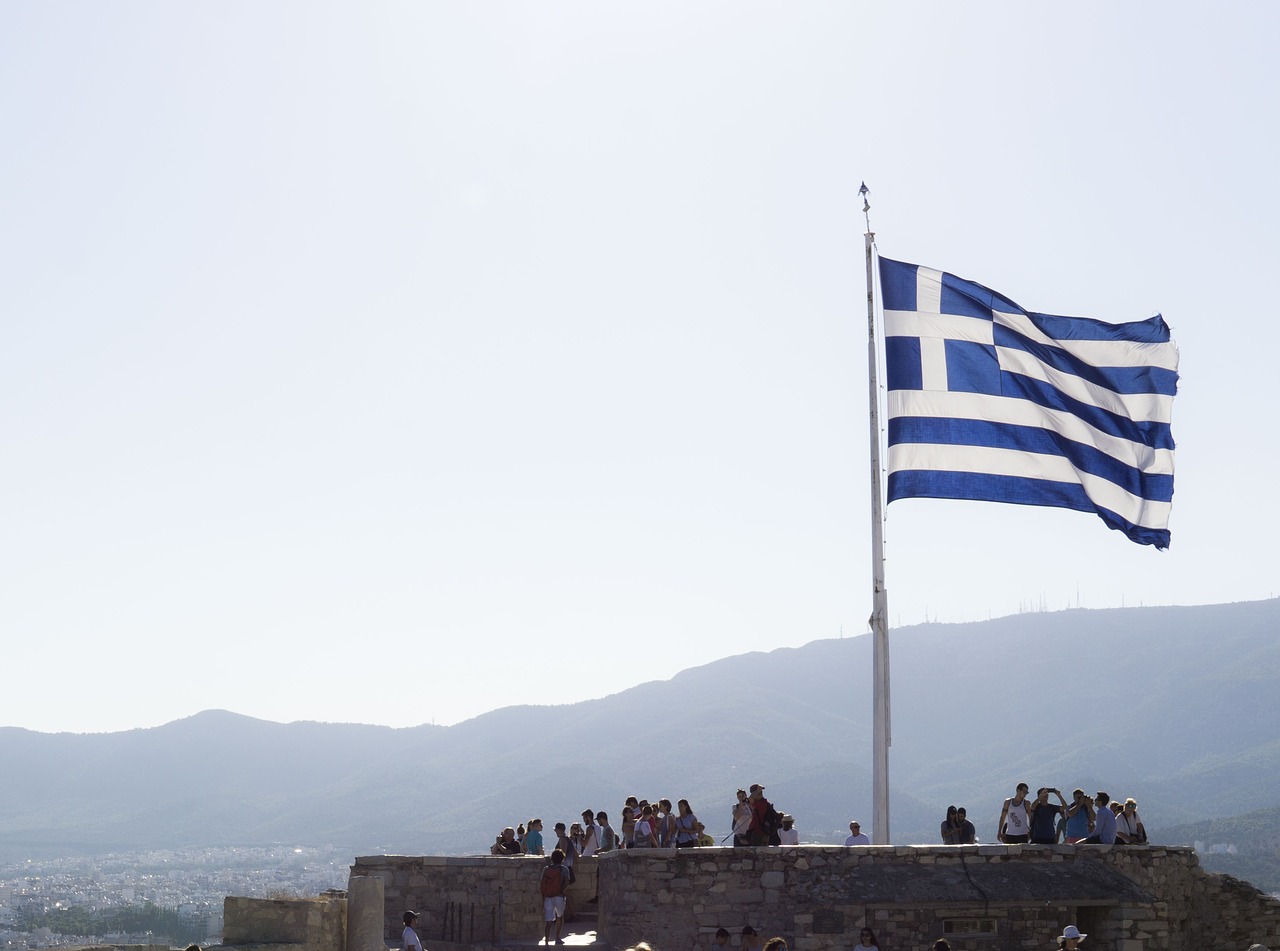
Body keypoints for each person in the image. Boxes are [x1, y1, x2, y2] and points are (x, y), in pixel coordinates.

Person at [540, 849, 568, 946]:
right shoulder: (564, 869)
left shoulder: (546, 869)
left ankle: (547, 942)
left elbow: (542, 884)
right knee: (559, 916)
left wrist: (543, 896)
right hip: (559, 896)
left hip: (548, 897)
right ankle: (557, 938)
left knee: (548, 921)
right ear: (562, 859)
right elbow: (566, 882)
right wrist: (561, 890)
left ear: (552, 858)